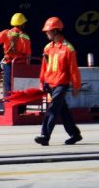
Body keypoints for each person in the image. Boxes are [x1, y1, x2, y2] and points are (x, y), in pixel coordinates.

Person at [35, 16, 82, 146]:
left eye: (48, 31)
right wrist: (42, 82)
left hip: (61, 83)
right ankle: (75, 134)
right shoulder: (47, 48)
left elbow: (73, 69)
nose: (46, 33)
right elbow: (44, 67)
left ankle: (45, 135)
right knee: (63, 110)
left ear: (55, 31)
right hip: (50, 83)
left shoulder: (68, 48)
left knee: (53, 109)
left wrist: (76, 86)